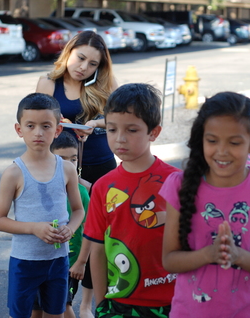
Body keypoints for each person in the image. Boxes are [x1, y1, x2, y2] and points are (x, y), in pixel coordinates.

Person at [160, 92, 250, 317]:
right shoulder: (179, 185)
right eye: (212, 140)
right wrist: (209, 254)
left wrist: (237, 256)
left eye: (234, 142)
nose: (221, 151)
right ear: (201, 139)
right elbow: (170, 260)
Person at [36, 30, 118, 318]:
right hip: (61, 167)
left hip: (101, 166)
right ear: (69, 51)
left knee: (98, 236)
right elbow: (33, 121)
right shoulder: (48, 83)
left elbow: (120, 117)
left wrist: (96, 122)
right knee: (69, 234)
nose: (84, 67)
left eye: (93, 64)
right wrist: (56, 123)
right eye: (81, 58)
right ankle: (65, 301)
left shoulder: (104, 85)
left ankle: (87, 304)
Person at [83, 83, 180, 317]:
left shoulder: (178, 181)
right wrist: (100, 304)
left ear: (154, 132)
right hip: (119, 303)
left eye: (132, 130)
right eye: (112, 129)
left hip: (174, 302)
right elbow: (97, 251)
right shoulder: (102, 187)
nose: (120, 139)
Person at [0, 93, 85, 318]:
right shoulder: (13, 173)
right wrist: (33, 228)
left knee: (57, 312)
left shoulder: (67, 169)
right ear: (19, 129)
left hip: (58, 260)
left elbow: (78, 210)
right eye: (31, 126)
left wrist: (70, 229)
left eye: (46, 126)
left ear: (58, 129)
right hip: (25, 261)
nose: (38, 133)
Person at [32, 131, 91, 318]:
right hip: (39, 260)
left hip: (69, 264)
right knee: (36, 309)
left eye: (73, 159)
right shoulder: (38, 188)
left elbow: (91, 229)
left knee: (63, 307)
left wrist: (81, 262)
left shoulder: (81, 193)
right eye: (62, 159)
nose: (68, 164)